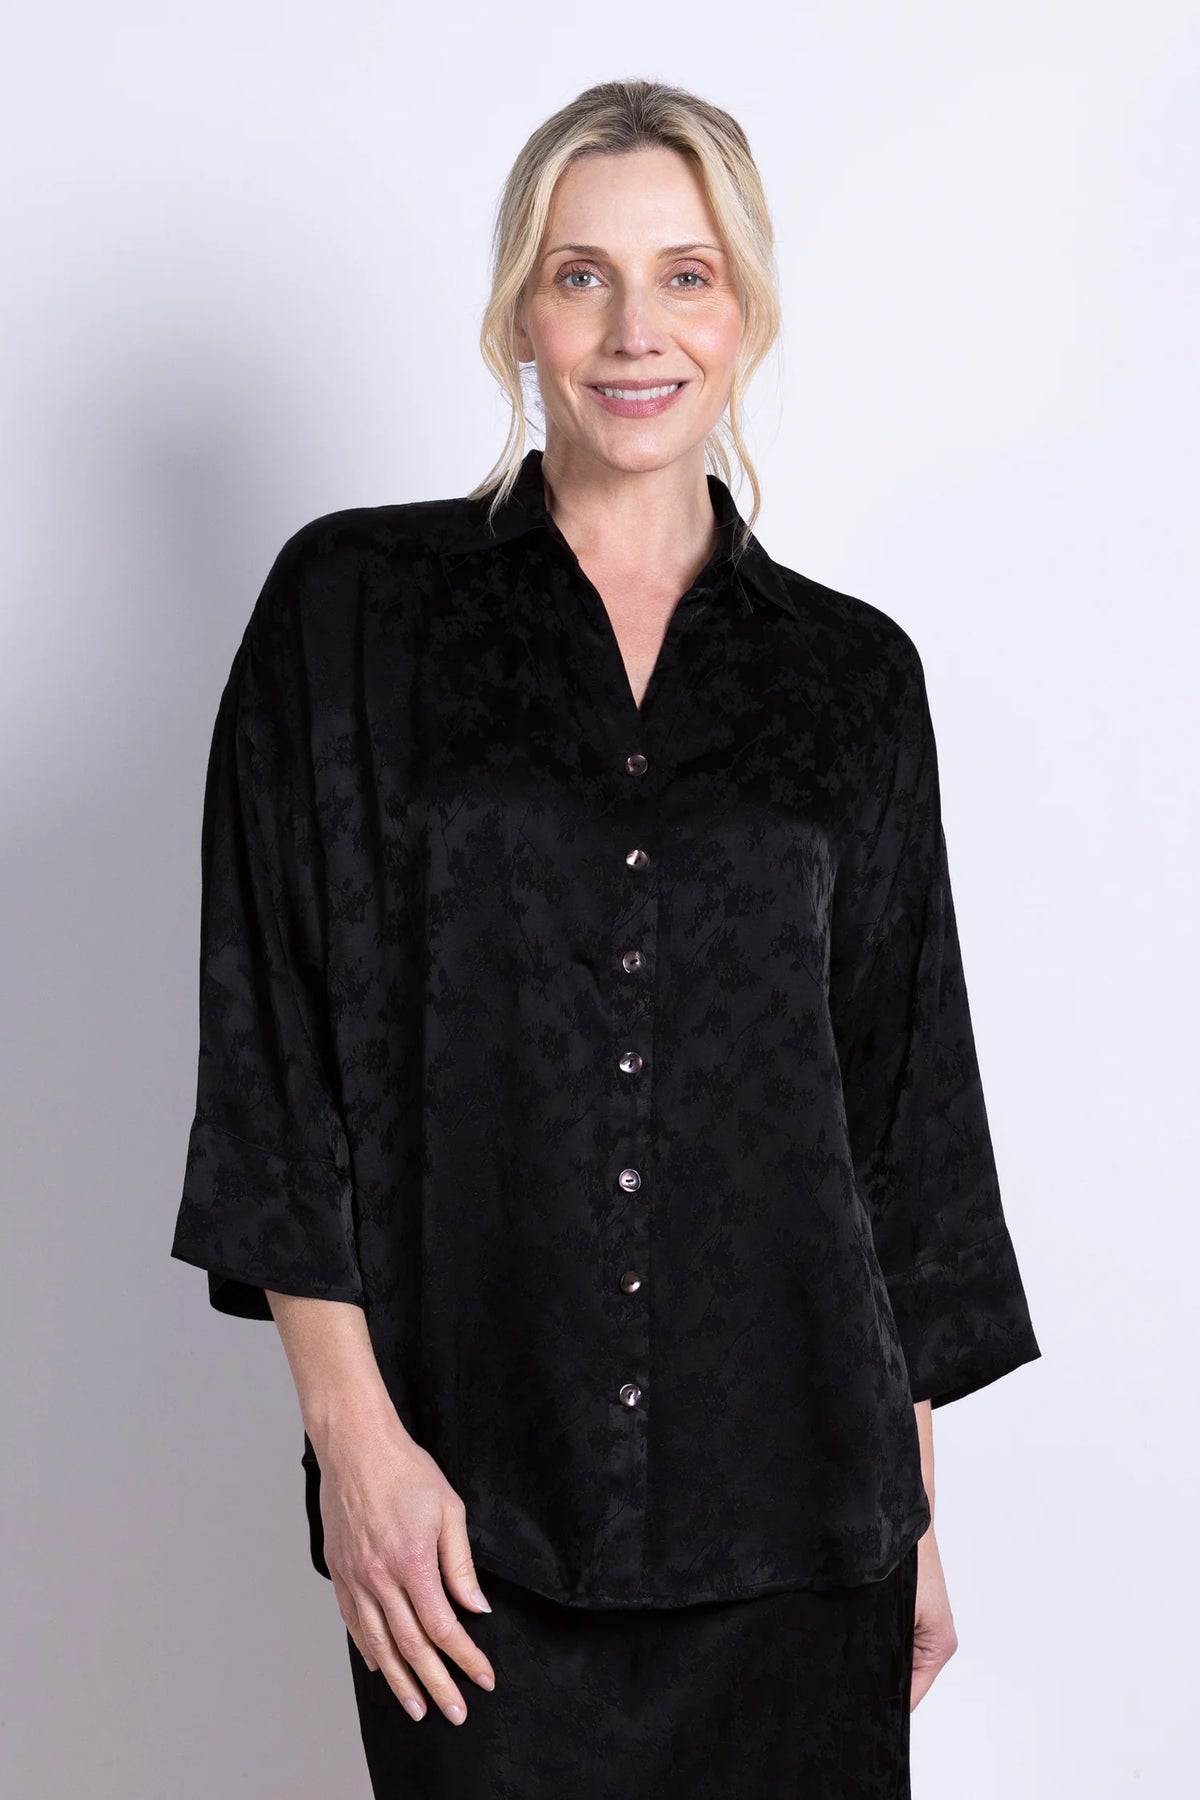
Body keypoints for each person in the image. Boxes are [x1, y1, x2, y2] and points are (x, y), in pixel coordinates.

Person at [170, 78, 1041, 1798]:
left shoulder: (852, 680)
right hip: (468, 1531)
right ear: (519, 312)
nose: (637, 330)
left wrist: (917, 1519)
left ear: (747, 314)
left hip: (808, 1538)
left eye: (685, 276)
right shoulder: (353, 615)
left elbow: (897, 1124)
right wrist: (354, 1449)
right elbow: (276, 1057)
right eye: (583, 276)